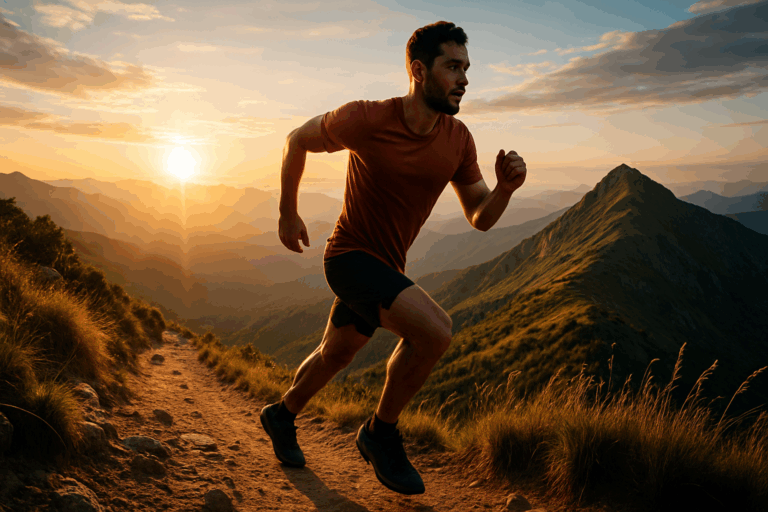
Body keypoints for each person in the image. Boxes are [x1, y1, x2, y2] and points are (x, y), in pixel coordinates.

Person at [261, 20, 527, 495]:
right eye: (452, 67)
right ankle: (379, 433)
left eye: (467, 68)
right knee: (435, 331)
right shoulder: (365, 118)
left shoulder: (458, 140)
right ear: (419, 70)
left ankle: (280, 415)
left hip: (386, 267)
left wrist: (505, 190)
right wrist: (287, 213)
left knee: (336, 353)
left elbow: (480, 217)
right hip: (347, 256)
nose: (464, 78)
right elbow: (296, 139)